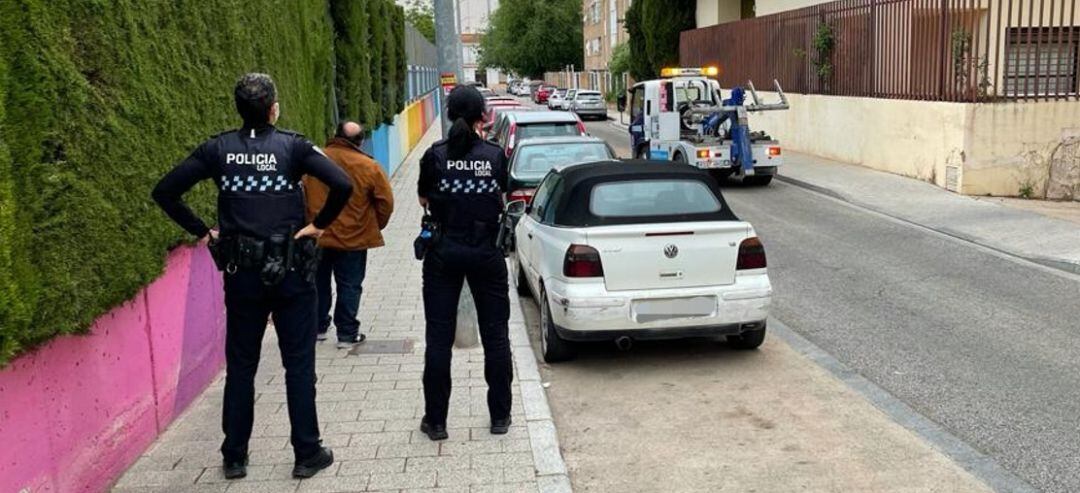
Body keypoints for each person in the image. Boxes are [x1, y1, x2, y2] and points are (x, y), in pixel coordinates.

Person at [151, 73, 353, 480]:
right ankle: (306, 452)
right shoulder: (293, 147)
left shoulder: (218, 149)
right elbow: (342, 184)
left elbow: (165, 191)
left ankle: (235, 456)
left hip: (242, 274)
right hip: (292, 273)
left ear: (239, 109)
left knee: (241, 364)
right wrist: (319, 225)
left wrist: (203, 231)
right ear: (274, 108)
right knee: (298, 363)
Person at [416, 85, 513, 441]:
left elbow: (424, 198)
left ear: (450, 113)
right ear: (482, 116)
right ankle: (500, 417)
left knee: (438, 339)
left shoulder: (434, 155)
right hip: (487, 253)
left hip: (444, 253)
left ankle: (436, 422)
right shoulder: (494, 154)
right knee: (496, 337)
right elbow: (502, 190)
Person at [304, 121, 394, 349]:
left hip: (318, 235)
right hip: (353, 237)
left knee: (318, 281)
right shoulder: (369, 166)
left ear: (335, 135)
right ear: (361, 141)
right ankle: (346, 333)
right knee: (350, 285)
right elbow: (386, 203)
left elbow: (301, 195)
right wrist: (373, 226)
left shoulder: (315, 162)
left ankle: (318, 328)